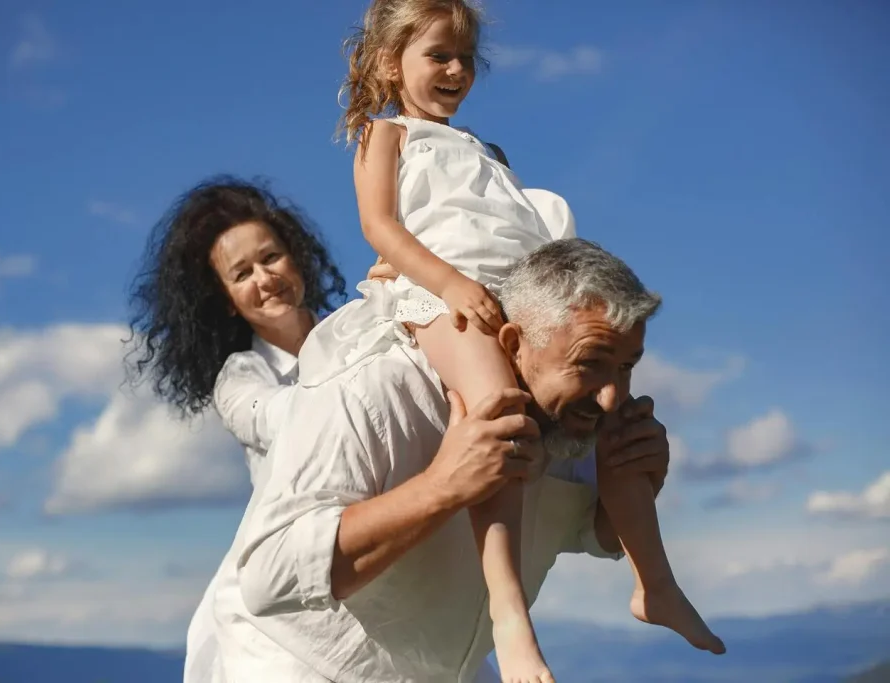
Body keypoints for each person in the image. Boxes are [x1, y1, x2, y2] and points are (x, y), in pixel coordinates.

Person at [299, 1, 724, 679]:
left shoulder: (487, 153)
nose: (457, 69)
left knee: (617, 418)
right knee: (498, 406)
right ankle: (509, 611)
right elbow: (382, 228)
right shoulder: (386, 136)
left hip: (520, 296)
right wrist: (445, 282)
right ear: (390, 62)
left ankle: (656, 582)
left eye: (466, 57)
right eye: (438, 54)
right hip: (444, 295)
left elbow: (520, 234)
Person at [215, 238, 670, 682]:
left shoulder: (572, 424)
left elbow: (587, 531)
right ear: (512, 344)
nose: (612, 398)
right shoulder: (374, 388)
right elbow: (267, 577)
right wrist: (442, 487)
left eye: (627, 367)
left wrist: (637, 479)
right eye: (590, 363)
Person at [123, 176, 350, 683]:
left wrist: (409, 294)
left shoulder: (356, 327)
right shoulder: (240, 377)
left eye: (271, 258)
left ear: (298, 258)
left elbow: (428, 319)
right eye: (241, 273)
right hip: (289, 582)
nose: (264, 279)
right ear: (227, 299)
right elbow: (279, 419)